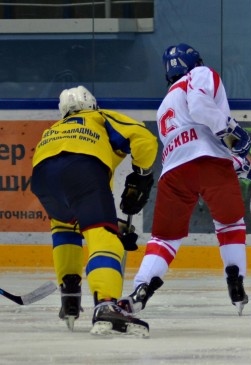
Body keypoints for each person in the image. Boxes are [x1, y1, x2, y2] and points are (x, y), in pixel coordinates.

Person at [118, 43, 251, 318]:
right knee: (229, 222)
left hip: (174, 173)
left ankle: (141, 289)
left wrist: (245, 167)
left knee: (165, 238)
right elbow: (204, 119)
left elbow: (190, 146)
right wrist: (232, 131)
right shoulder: (200, 74)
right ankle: (235, 280)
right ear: (195, 61)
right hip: (210, 164)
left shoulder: (165, 103)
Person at [30, 85, 158, 336]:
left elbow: (80, 211)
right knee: (105, 239)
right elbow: (144, 138)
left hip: (42, 177)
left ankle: (69, 294)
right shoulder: (100, 117)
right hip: (83, 170)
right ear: (92, 104)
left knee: (65, 227)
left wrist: (115, 223)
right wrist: (142, 175)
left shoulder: (54, 130)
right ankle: (107, 304)